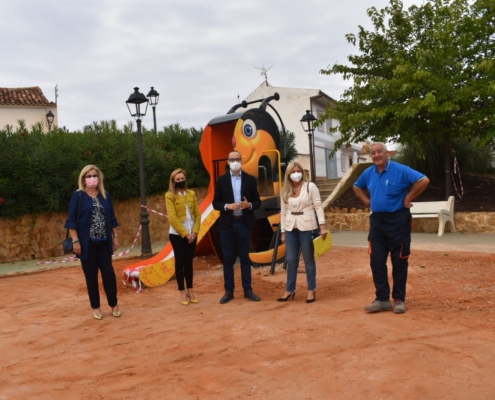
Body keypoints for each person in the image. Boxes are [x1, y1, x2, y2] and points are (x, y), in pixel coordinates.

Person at [354, 142, 430, 314]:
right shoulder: (369, 172)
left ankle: (398, 299)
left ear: (387, 153)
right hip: (377, 223)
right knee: (377, 262)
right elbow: (357, 186)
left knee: (399, 261)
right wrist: (366, 201)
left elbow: (423, 180)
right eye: (373, 153)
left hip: (398, 221)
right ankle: (382, 299)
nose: (376, 155)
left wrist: (408, 197)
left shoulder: (400, 170)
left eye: (379, 151)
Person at [64, 165, 121, 320]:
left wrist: (115, 236)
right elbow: (71, 221)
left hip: (104, 242)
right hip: (86, 244)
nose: (92, 178)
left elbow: (112, 218)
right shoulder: (79, 196)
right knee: (91, 276)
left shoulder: (105, 195)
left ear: (99, 177)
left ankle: (114, 303)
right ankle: (95, 307)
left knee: (109, 274)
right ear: (83, 179)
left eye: (94, 175)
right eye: (88, 176)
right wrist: (75, 241)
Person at [213, 150, 262, 304]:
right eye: (232, 159)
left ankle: (248, 290)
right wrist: (228, 206)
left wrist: (249, 205)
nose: (234, 161)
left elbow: (257, 201)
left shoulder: (250, 179)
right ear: (227, 162)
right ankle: (229, 291)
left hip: (244, 222)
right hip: (227, 223)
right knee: (228, 258)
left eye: (237, 159)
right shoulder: (221, 180)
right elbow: (216, 203)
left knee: (245, 257)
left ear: (241, 161)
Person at [278, 161, 327, 303]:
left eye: (298, 171)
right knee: (291, 260)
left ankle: (311, 289)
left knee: (308, 259)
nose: (295, 174)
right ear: (288, 174)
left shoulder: (310, 187)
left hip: (307, 227)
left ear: (302, 172)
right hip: (290, 228)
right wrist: (282, 231)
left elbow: (318, 206)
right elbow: (283, 211)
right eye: (292, 172)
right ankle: (289, 289)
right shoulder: (285, 190)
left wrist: (322, 225)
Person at [165, 168, 201, 306]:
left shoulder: (191, 193)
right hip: (177, 234)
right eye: (178, 179)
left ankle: (190, 290)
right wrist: (186, 234)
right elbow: (172, 218)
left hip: (192, 232)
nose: (181, 181)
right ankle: (182, 291)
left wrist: (195, 232)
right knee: (180, 262)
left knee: (189, 263)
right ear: (173, 182)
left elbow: (197, 214)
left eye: (182, 179)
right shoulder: (169, 196)